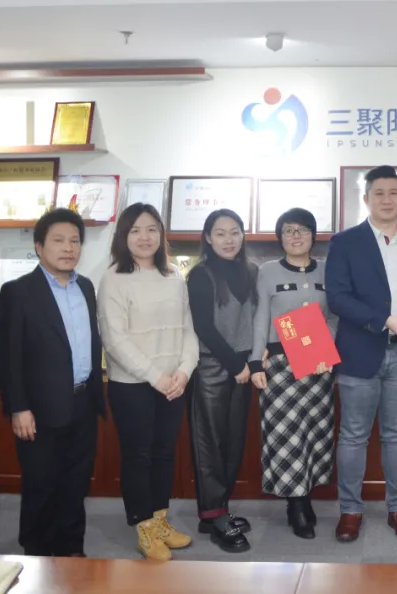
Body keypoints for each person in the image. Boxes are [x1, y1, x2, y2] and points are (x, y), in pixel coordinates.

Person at [326, 165, 397, 543]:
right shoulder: (345, 242)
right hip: (359, 352)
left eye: (393, 192)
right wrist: (385, 321)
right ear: (366, 198)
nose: (387, 199)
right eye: (379, 193)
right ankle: (350, 510)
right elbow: (337, 298)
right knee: (353, 436)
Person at [0, 208, 104, 557]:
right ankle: (37, 554)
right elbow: (9, 356)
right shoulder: (17, 292)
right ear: (39, 246)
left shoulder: (85, 287)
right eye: (58, 240)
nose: (68, 248)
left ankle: (72, 550)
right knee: (41, 485)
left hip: (83, 401)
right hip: (39, 409)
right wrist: (18, 407)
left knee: (75, 484)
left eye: (74, 241)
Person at [98, 203, 198, 561]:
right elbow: (115, 340)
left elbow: (188, 330)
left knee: (164, 453)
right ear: (123, 236)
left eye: (152, 229)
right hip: (133, 385)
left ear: (161, 235)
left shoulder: (174, 276)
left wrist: (184, 371)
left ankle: (160, 520)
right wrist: (157, 377)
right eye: (136, 230)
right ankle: (143, 527)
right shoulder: (113, 279)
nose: (145, 237)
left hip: (173, 383)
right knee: (138, 456)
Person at [249, 208, 338, 540]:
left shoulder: (328, 270)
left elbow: (334, 316)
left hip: (318, 363)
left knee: (314, 431)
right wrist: (255, 362)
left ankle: (306, 494)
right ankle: (296, 503)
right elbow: (260, 317)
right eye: (288, 231)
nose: (296, 236)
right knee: (286, 435)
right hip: (280, 365)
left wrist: (327, 350)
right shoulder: (267, 271)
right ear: (280, 237)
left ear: (313, 235)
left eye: (302, 230)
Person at [185, 208, 258, 553]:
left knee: (233, 441)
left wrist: (251, 359)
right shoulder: (201, 275)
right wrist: (234, 364)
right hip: (213, 367)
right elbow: (203, 326)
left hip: (242, 367)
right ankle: (215, 515)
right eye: (220, 233)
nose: (228, 240)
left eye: (235, 232)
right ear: (208, 238)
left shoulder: (252, 271)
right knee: (210, 443)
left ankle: (216, 511)